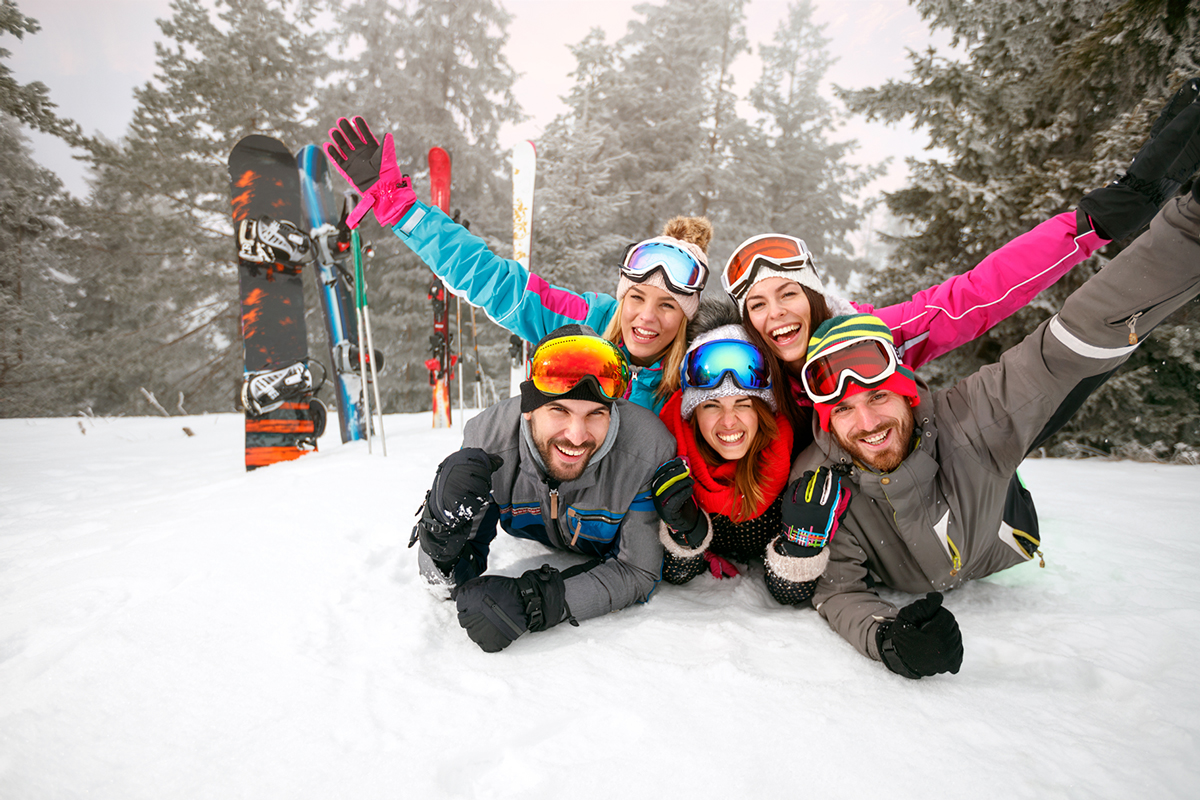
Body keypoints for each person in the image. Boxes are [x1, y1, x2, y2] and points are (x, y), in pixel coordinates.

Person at [323, 116, 1113, 414]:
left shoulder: (731, 356)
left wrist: (1084, 229)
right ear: (622, 293)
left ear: (694, 313)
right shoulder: (590, 323)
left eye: (669, 306)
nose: (647, 316)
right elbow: (491, 278)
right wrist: (396, 208)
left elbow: (964, 302)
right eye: (638, 297)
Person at [790, 177, 1200, 678]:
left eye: (877, 396)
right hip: (943, 532)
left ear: (907, 391)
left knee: (1079, 368)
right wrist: (885, 637)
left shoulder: (965, 418)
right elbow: (839, 590)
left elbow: (1063, 343)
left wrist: (1189, 229)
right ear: (826, 420)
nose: (868, 422)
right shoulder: (818, 487)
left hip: (992, 517)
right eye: (845, 410)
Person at [409, 325, 678, 652]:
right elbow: (446, 583)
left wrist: (539, 601)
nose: (577, 436)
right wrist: (440, 535)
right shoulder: (490, 442)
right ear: (529, 408)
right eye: (559, 410)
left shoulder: (645, 449)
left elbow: (637, 571)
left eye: (596, 414)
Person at [650, 305, 839, 606]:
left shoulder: (794, 463)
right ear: (693, 413)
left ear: (762, 410)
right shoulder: (671, 459)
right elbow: (674, 576)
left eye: (743, 404)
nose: (729, 422)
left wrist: (800, 548)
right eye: (711, 405)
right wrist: (684, 537)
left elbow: (790, 596)